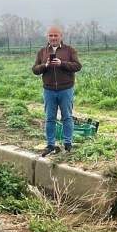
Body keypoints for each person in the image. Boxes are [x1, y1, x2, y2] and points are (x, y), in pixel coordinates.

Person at [32, 26, 82, 156]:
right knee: (50, 118)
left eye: (56, 35)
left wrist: (62, 63)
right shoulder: (42, 52)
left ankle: (68, 143)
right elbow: (35, 69)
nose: (53, 38)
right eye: (51, 36)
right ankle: (50, 145)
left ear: (61, 36)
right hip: (49, 90)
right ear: (47, 37)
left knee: (67, 117)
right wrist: (46, 65)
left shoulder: (69, 50)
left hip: (66, 89)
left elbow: (77, 66)